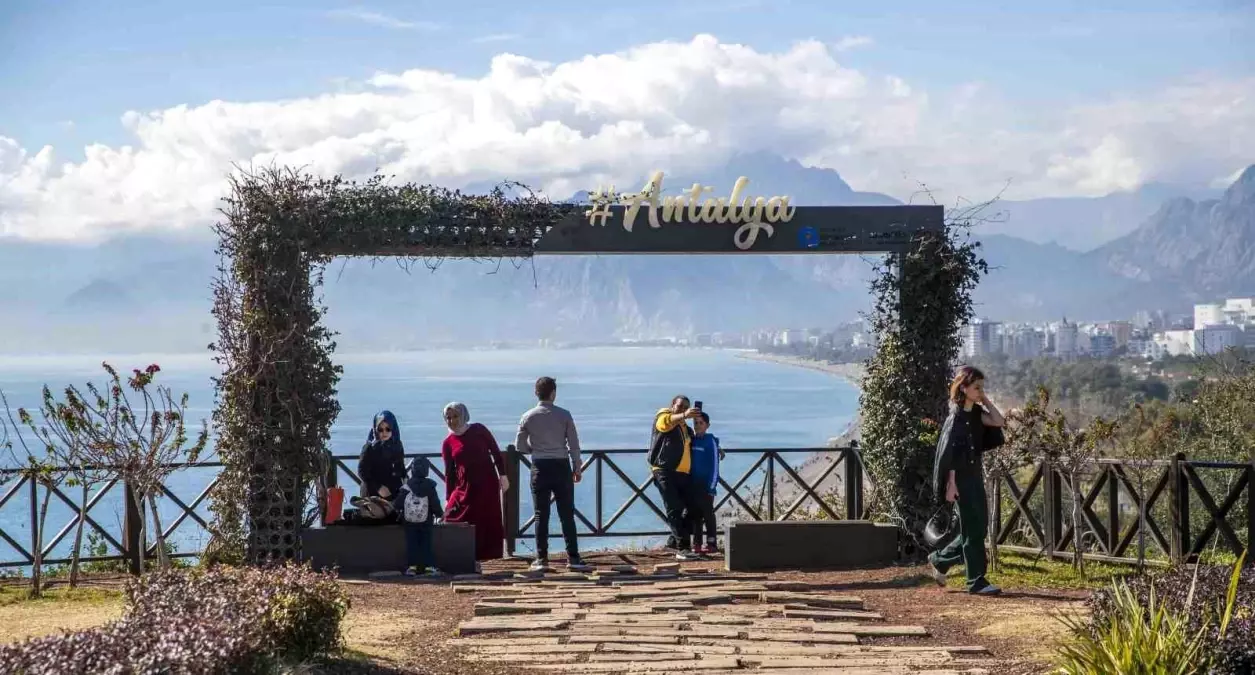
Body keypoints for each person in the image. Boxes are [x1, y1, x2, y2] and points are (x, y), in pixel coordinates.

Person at [929, 365, 1006, 595]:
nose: (981, 390)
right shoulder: (956, 418)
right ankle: (976, 581)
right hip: (961, 479)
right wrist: (951, 484)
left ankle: (940, 560)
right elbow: (950, 455)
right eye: (977, 387)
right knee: (974, 530)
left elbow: (999, 421)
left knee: (977, 527)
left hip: (974, 476)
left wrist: (986, 400)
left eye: (982, 387)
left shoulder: (975, 415)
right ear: (963, 387)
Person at [516, 376, 592, 572]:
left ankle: (541, 559)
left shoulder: (527, 416)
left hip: (539, 467)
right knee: (567, 514)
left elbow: (520, 447)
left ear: (536, 393)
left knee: (541, 514)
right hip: (561, 466)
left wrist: (536, 448)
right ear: (553, 393)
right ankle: (573, 558)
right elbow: (574, 444)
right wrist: (577, 467)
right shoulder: (564, 415)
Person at [440, 402, 508, 567]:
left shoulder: (479, 430)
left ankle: (489, 558)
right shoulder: (448, 442)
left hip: (487, 484)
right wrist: (449, 498)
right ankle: (464, 557)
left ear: (463, 415)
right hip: (465, 488)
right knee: (454, 519)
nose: (452, 421)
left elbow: (496, 452)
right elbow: (449, 473)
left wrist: (503, 475)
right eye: (448, 418)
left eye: (455, 416)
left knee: (487, 520)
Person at [648, 395, 703, 561]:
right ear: (673, 405)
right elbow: (666, 423)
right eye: (680, 406)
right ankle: (683, 548)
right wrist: (684, 415)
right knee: (674, 508)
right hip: (664, 470)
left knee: (694, 508)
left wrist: (717, 448)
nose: (683, 409)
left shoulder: (686, 429)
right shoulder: (664, 417)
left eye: (686, 407)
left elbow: (696, 445)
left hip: (683, 474)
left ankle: (673, 542)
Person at [393, 458, 444, 577]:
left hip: (409, 521)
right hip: (426, 520)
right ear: (426, 470)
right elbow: (435, 504)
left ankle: (412, 567)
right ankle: (428, 566)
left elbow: (398, 504)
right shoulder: (430, 486)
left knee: (412, 543)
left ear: (412, 470)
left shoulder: (407, 486)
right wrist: (440, 514)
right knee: (426, 543)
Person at [688, 410, 723, 556]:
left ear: (707, 425)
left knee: (708, 514)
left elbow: (715, 465)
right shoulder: (692, 440)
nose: (698, 426)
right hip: (693, 484)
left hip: (706, 484)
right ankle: (696, 543)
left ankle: (711, 542)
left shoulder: (710, 441)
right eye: (695, 423)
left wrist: (712, 485)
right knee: (695, 515)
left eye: (701, 423)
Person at [358, 410, 407, 500]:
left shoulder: (397, 445)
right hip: (372, 494)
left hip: (393, 493)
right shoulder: (370, 447)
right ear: (375, 430)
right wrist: (378, 487)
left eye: (388, 429)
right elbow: (362, 471)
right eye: (380, 429)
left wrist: (405, 478)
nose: (384, 433)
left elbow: (400, 466)